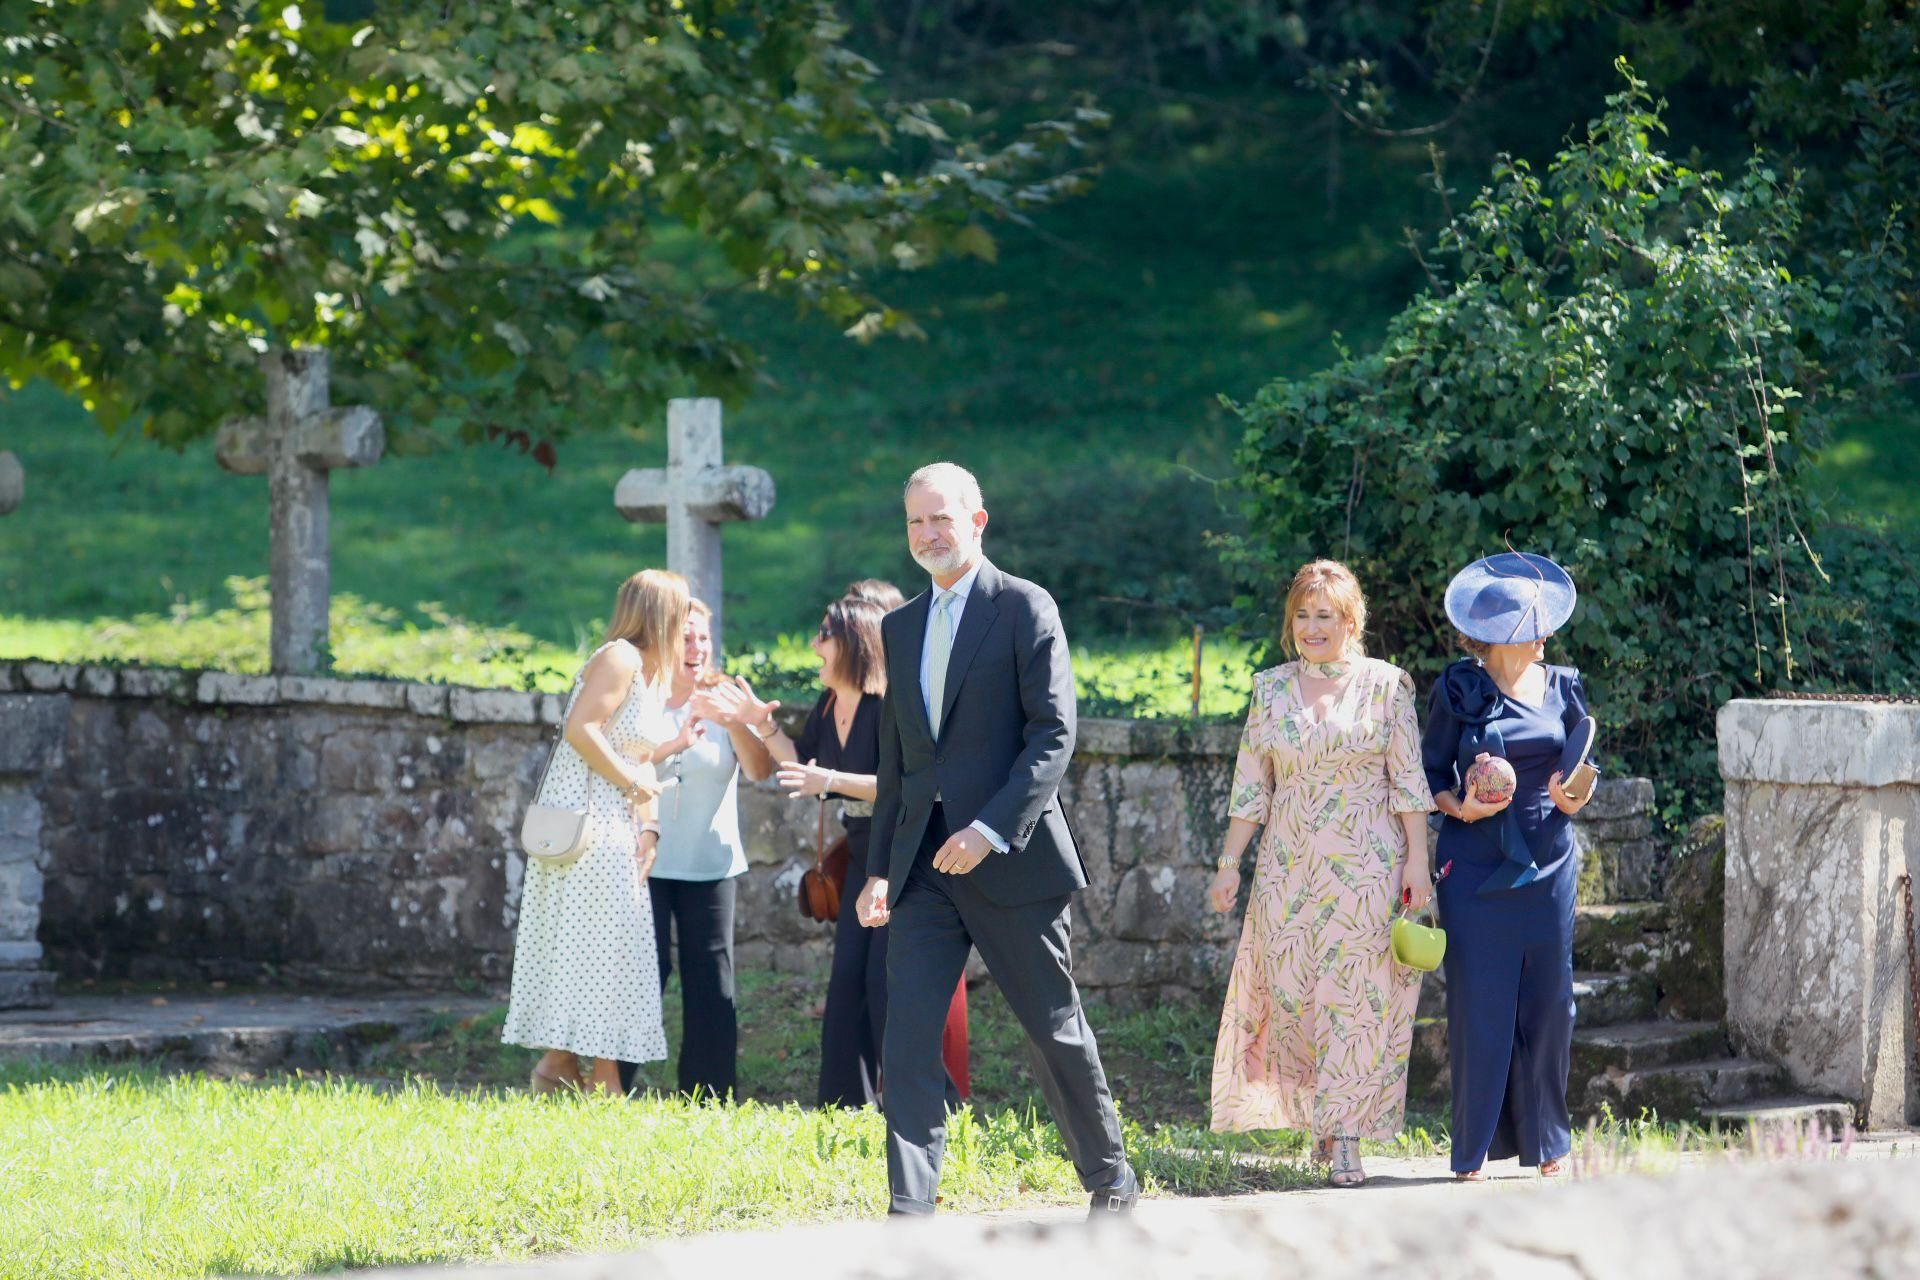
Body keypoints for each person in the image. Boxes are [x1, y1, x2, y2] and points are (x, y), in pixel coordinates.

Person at [856, 461, 1138, 1218]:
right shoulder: (900, 624)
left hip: (1010, 859)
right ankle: (910, 1213)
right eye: (915, 521)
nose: (927, 533)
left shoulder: (1024, 607)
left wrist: (988, 831)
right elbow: (899, 763)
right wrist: (881, 868)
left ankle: (1110, 1182)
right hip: (922, 866)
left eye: (940, 518)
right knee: (908, 1040)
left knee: (1054, 1029)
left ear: (977, 520)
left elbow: (1053, 736)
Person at [1204, 560, 1436, 1187]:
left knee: (1355, 1001)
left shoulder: (1388, 687)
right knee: (1295, 996)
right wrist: (1230, 865)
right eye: (1302, 616)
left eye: (1324, 616)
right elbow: (1251, 785)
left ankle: (1349, 1137)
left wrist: (1418, 858)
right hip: (1287, 867)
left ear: (1351, 620)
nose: (1311, 627)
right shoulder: (1271, 689)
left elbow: (1408, 779)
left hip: (1368, 868)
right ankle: (1322, 1120)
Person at [744, 592, 970, 1107]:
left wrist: (832, 778)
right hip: (863, 851)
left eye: (824, 634)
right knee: (847, 981)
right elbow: (802, 766)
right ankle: (845, 1104)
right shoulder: (829, 706)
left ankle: (937, 1102)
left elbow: (907, 783)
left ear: (853, 643)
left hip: (904, 851)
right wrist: (762, 724)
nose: (814, 644)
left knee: (884, 984)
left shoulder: (887, 705)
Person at [1421, 551, 1596, 1181]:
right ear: (1498, 632)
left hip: (1550, 860)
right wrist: (1462, 810)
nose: (1545, 632)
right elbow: (1430, 776)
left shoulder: (1565, 685)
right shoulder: (1458, 689)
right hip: (1473, 869)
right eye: (1532, 621)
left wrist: (1574, 796)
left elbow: (1581, 767)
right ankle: (1471, 1152)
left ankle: (1549, 1141)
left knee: (1552, 1005)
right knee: (1479, 1006)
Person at [503, 568, 684, 1094]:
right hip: (588, 826)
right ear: (660, 612)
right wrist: (630, 784)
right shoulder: (620, 657)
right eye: (682, 608)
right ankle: (596, 1077)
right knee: (603, 948)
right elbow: (581, 728)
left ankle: (561, 1067)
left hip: (618, 824)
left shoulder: (651, 672)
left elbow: (642, 754)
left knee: (612, 950)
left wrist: (649, 826)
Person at [614, 598, 775, 1100]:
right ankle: (611, 1086)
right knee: (640, 978)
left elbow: (760, 770)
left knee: (713, 984)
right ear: (662, 639)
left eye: (703, 637)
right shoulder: (640, 696)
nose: (697, 647)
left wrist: (734, 722)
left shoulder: (726, 698)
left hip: (712, 865)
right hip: (646, 863)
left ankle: (709, 1098)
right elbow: (619, 766)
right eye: (685, 637)